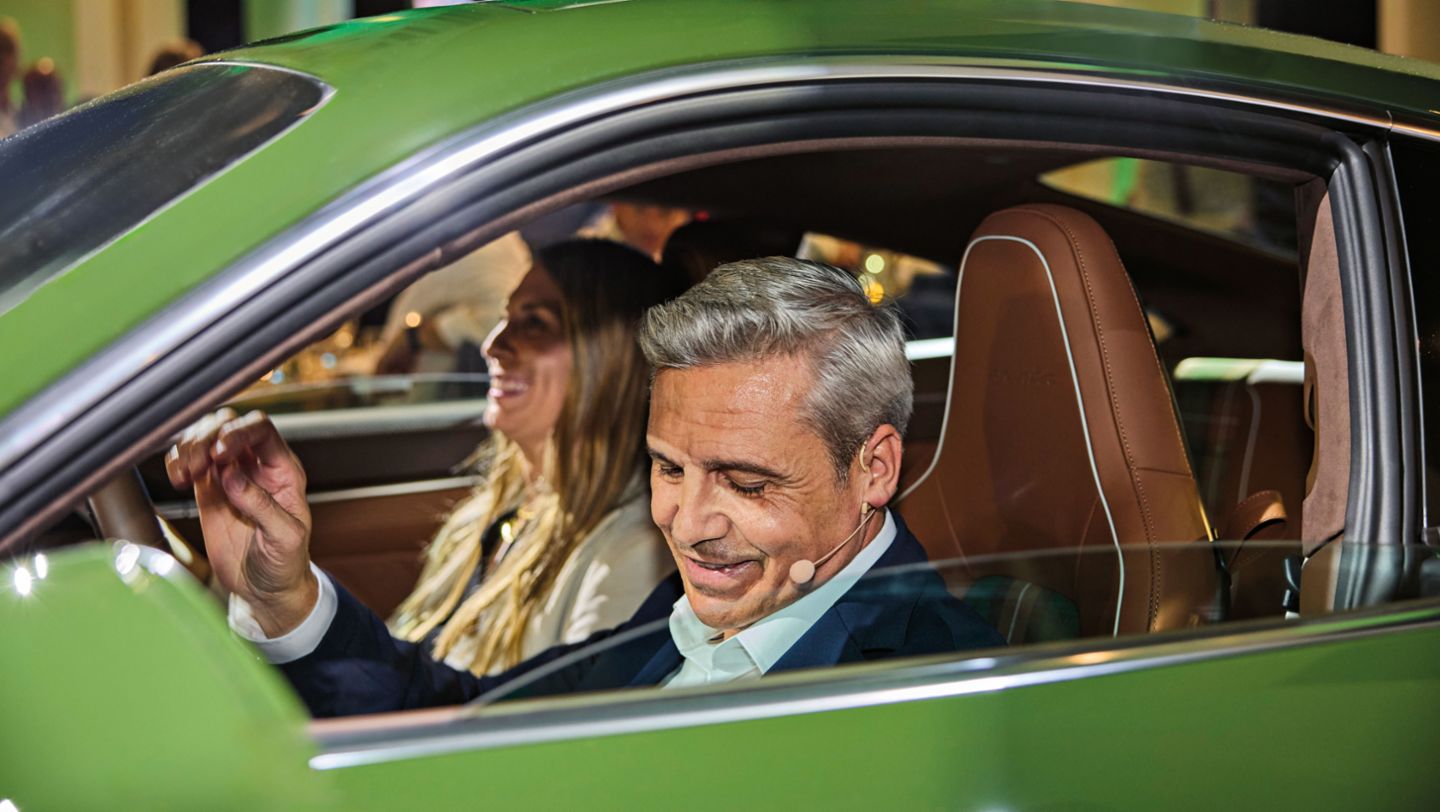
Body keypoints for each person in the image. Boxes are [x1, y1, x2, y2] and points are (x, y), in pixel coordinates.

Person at [169, 256, 1001, 716]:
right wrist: (286, 598)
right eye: (667, 467)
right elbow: (471, 715)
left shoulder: (919, 696)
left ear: (874, 469)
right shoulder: (684, 614)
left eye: (745, 483)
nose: (686, 522)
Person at [169, 240, 684, 678]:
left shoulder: (628, 558)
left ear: (609, 359)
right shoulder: (496, 515)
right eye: (505, 317)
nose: (493, 345)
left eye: (535, 324)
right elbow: (409, 682)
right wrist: (254, 587)